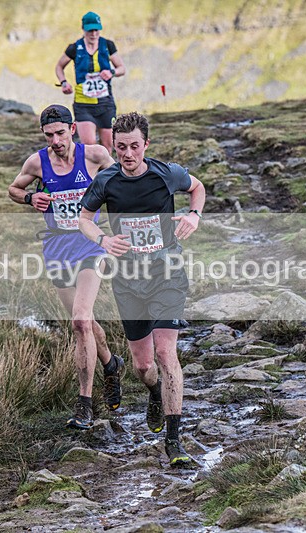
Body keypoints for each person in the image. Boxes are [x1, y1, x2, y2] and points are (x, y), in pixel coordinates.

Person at [78, 112, 206, 467]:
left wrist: (194, 214)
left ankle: (174, 441)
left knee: (166, 354)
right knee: (143, 365)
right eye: (121, 148)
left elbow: (197, 187)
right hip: (128, 282)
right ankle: (154, 392)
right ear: (113, 147)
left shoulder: (167, 174)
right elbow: (83, 220)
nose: (128, 154)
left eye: (135, 146)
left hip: (168, 274)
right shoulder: (106, 181)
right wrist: (103, 239)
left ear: (146, 145)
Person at [9, 104, 124, 430]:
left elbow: (120, 183)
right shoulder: (37, 162)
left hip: (90, 247)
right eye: (49, 135)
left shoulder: (95, 155)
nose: (56, 140)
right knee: (84, 322)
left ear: (72, 129)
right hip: (56, 250)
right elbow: (14, 189)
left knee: (78, 321)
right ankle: (111, 364)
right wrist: (32, 199)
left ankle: (84, 404)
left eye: (60, 133)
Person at [55, 11, 126, 154]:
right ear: (84, 29)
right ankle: (91, 176)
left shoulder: (108, 45)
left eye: (96, 30)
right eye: (90, 30)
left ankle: (106, 176)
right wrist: (64, 83)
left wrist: (111, 72)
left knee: (107, 147)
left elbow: (122, 68)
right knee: (89, 147)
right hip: (83, 104)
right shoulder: (74, 48)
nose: (93, 34)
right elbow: (59, 67)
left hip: (105, 102)